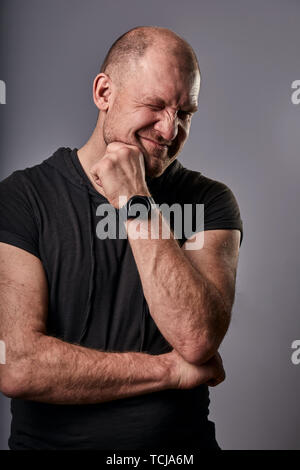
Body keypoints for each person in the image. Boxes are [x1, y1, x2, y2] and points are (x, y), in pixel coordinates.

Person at [0, 26, 243, 450]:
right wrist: (167, 372)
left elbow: (196, 337)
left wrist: (135, 200)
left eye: (185, 113)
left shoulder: (209, 201)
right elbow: (18, 366)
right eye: (155, 105)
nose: (170, 130)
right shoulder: (22, 199)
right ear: (104, 92)